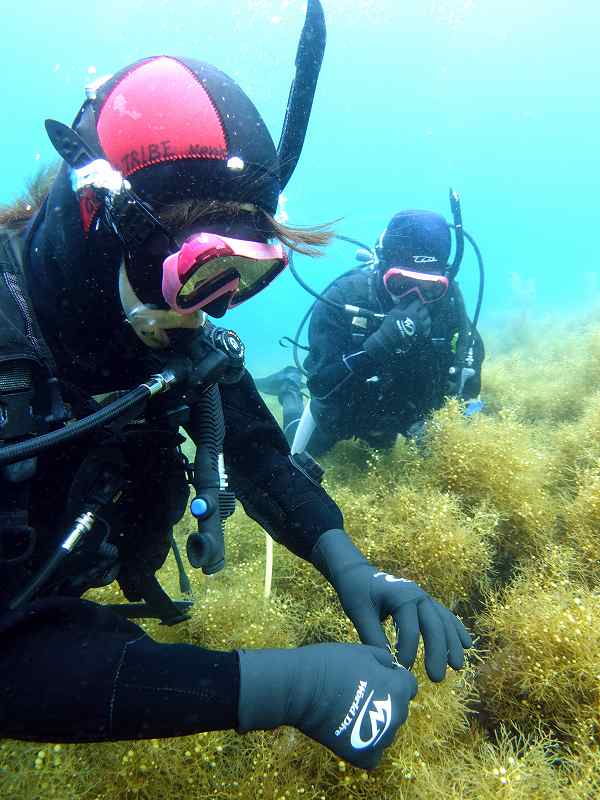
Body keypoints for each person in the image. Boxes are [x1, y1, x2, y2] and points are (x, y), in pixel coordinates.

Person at [0, 1, 471, 770]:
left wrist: (349, 560)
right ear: (100, 220)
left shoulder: (160, 328)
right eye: (203, 270)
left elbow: (257, 453)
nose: (216, 306)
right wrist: (276, 687)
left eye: (246, 277)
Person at [257, 207, 485, 456]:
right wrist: (378, 346)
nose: (415, 297)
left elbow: (466, 385)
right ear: (381, 267)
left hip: (404, 413)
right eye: (401, 284)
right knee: (297, 461)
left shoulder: (449, 307)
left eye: (430, 289)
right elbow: (321, 387)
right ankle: (289, 386)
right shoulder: (343, 298)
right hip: (344, 411)